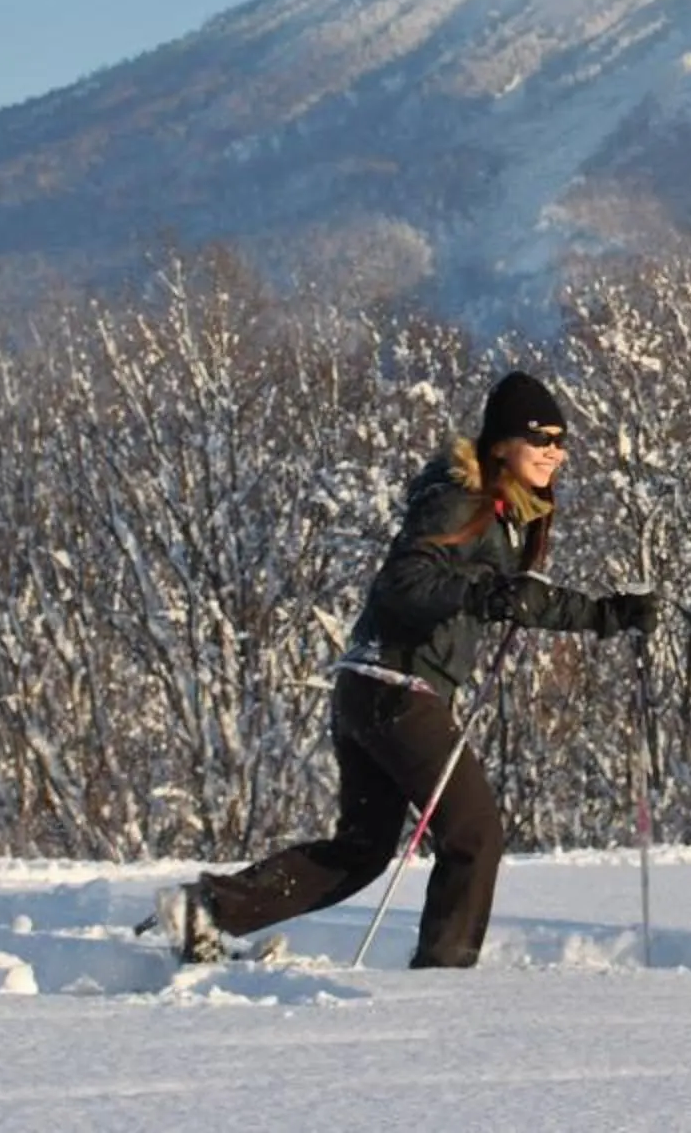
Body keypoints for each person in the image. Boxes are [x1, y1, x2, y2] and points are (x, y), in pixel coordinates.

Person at [158, 370, 658, 968]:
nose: (555, 449)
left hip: (370, 687)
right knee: (475, 835)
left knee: (363, 849)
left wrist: (607, 614)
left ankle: (209, 908)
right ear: (502, 442)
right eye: (540, 436)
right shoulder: (461, 499)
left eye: (561, 438)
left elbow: (516, 594)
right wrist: (482, 597)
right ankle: (442, 980)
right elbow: (406, 580)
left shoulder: (499, 512)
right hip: (400, 691)